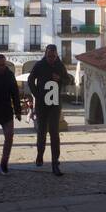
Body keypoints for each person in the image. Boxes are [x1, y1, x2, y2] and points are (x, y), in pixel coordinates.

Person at [27, 44, 70, 176]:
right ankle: (40, 154)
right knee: (41, 131)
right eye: (49, 56)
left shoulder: (60, 65)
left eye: (53, 56)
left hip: (55, 104)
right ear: (46, 54)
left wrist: (60, 79)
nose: (51, 58)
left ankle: (55, 163)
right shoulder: (39, 65)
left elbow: (68, 80)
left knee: (54, 133)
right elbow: (30, 80)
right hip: (42, 104)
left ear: (56, 55)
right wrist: (37, 94)